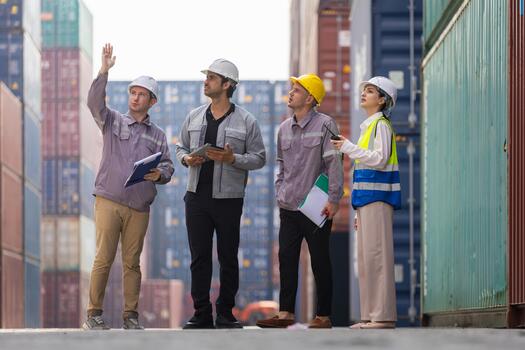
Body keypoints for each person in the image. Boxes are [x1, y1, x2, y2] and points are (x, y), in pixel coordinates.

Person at [82, 43, 174, 330]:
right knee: (104, 258)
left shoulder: (158, 136)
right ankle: (93, 314)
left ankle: (130, 316)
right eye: (133, 93)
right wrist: (103, 71)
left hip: (139, 207)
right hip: (109, 199)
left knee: (132, 263)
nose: (135, 98)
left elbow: (169, 167)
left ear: (152, 101)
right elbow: (93, 103)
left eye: (141, 95)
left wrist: (159, 174)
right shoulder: (112, 120)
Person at [175, 59, 266, 329]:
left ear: (228, 85)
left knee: (228, 257)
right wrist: (186, 159)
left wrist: (232, 158)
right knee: (199, 258)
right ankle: (201, 313)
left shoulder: (247, 120)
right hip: (196, 197)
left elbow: (259, 158)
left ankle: (225, 313)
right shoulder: (193, 116)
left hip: (228, 199)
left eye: (212, 78)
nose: (206, 81)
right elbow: (180, 148)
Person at [256, 74, 343, 329]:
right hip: (289, 206)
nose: (291, 92)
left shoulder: (326, 125)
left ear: (310, 98)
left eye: (297, 89)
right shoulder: (283, 128)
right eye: (292, 88)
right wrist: (279, 192)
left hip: (316, 206)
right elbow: (280, 166)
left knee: (319, 260)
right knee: (286, 258)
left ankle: (323, 315)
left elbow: (334, 164)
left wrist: (334, 199)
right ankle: (285, 314)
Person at [331, 76, 400, 329]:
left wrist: (348, 147)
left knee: (378, 257)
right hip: (366, 201)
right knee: (368, 259)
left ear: (382, 100)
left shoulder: (381, 125)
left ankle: (382, 317)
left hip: (379, 200)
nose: (364, 94)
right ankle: (370, 316)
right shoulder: (368, 126)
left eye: (370, 91)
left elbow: (379, 159)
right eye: (364, 90)